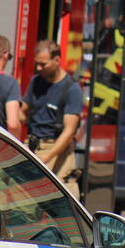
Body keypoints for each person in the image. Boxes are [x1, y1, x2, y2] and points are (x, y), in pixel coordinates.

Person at [20, 39, 83, 196]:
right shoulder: (36, 82)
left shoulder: (71, 89)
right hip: (33, 145)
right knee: (24, 198)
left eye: (43, 64)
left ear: (57, 60)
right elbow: (23, 113)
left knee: (62, 199)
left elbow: (69, 131)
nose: (38, 68)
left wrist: (47, 157)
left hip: (56, 149)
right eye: (37, 63)